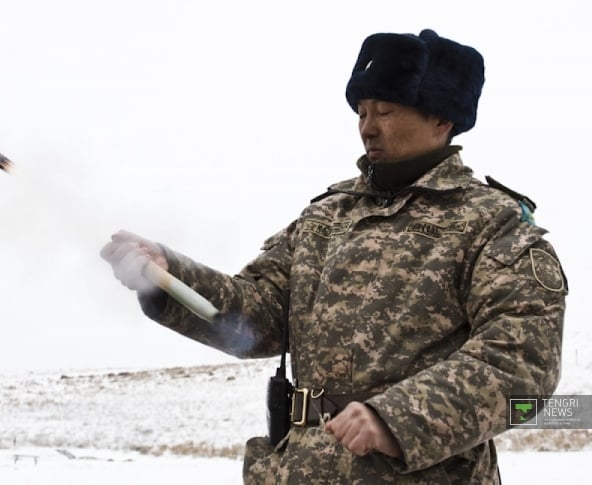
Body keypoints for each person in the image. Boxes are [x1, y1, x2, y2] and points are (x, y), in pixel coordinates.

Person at [100, 29, 567, 484]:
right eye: (361, 111)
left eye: (384, 110)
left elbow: (520, 365)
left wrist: (395, 419)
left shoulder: (492, 223)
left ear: (441, 120)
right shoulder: (326, 217)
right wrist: (167, 275)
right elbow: (255, 317)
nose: (368, 127)